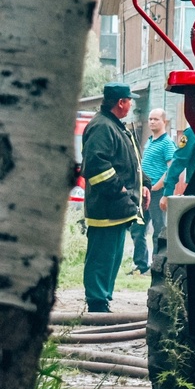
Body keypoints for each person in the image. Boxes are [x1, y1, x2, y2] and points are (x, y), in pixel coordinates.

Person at [81, 83, 149, 313]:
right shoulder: (102, 127)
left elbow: (131, 164)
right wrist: (120, 191)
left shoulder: (115, 127)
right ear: (120, 102)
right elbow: (96, 166)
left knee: (111, 258)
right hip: (107, 208)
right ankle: (97, 303)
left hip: (117, 209)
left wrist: (145, 186)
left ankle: (103, 300)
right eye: (129, 100)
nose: (131, 104)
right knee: (102, 258)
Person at [138, 108, 175, 271]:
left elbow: (171, 168)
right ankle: (140, 265)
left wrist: (158, 186)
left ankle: (157, 265)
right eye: (150, 119)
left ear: (164, 122)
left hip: (157, 192)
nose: (152, 122)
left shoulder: (167, 143)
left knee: (158, 230)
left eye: (156, 119)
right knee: (138, 228)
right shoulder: (150, 140)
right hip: (143, 191)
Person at [160, 124, 195, 214]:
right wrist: (168, 191)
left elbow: (178, 162)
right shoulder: (193, 133)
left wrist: (167, 192)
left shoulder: (193, 132)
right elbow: (178, 162)